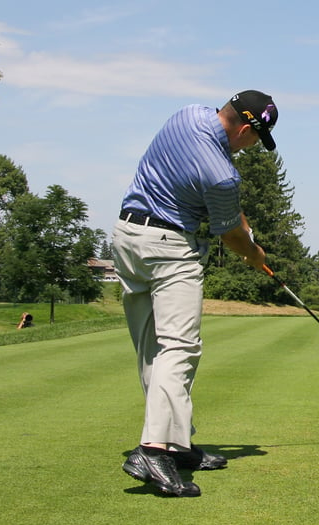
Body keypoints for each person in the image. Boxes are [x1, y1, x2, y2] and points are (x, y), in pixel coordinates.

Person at [112, 90, 277, 497]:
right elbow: (232, 237)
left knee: (154, 349)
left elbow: (225, 202)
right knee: (180, 348)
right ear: (244, 128)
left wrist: (241, 224)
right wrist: (255, 255)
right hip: (169, 250)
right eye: (255, 139)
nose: (252, 147)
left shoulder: (187, 115)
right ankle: (153, 449)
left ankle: (176, 441)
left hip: (126, 238)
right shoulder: (222, 173)